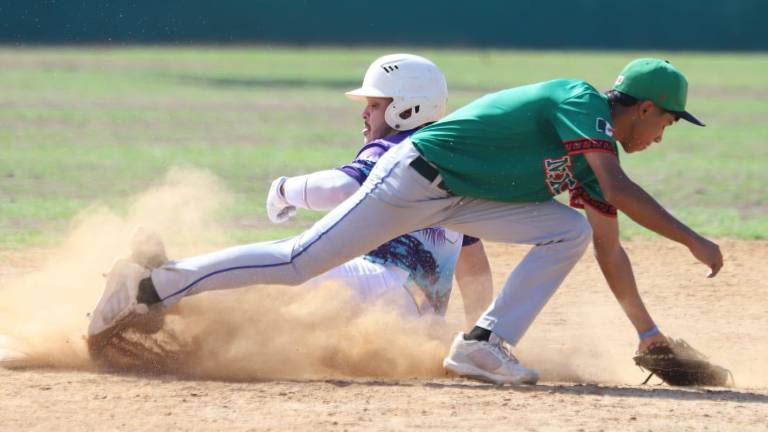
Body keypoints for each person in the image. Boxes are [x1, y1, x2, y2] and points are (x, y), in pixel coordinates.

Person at [88, 58, 723, 385]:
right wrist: (692, 239)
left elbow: (610, 250)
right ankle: (149, 286)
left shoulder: (592, 157)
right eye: (667, 123)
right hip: (415, 178)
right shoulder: (578, 102)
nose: (663, 137)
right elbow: (617, 185)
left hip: (461, 200)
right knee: (298, 262)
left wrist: (649, 334)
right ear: (644, 108)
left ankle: (482, 345)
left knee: (571, 231)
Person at [265, 53, 493, 321]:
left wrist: (283, 190)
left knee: (265, 272)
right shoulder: (453, 162)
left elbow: (340, 188)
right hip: (423, 323)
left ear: (406, 110)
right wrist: (480, 335)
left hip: (381, 293)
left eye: (374, 105)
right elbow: (473, 263)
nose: (364, 113)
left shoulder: (393, 149)